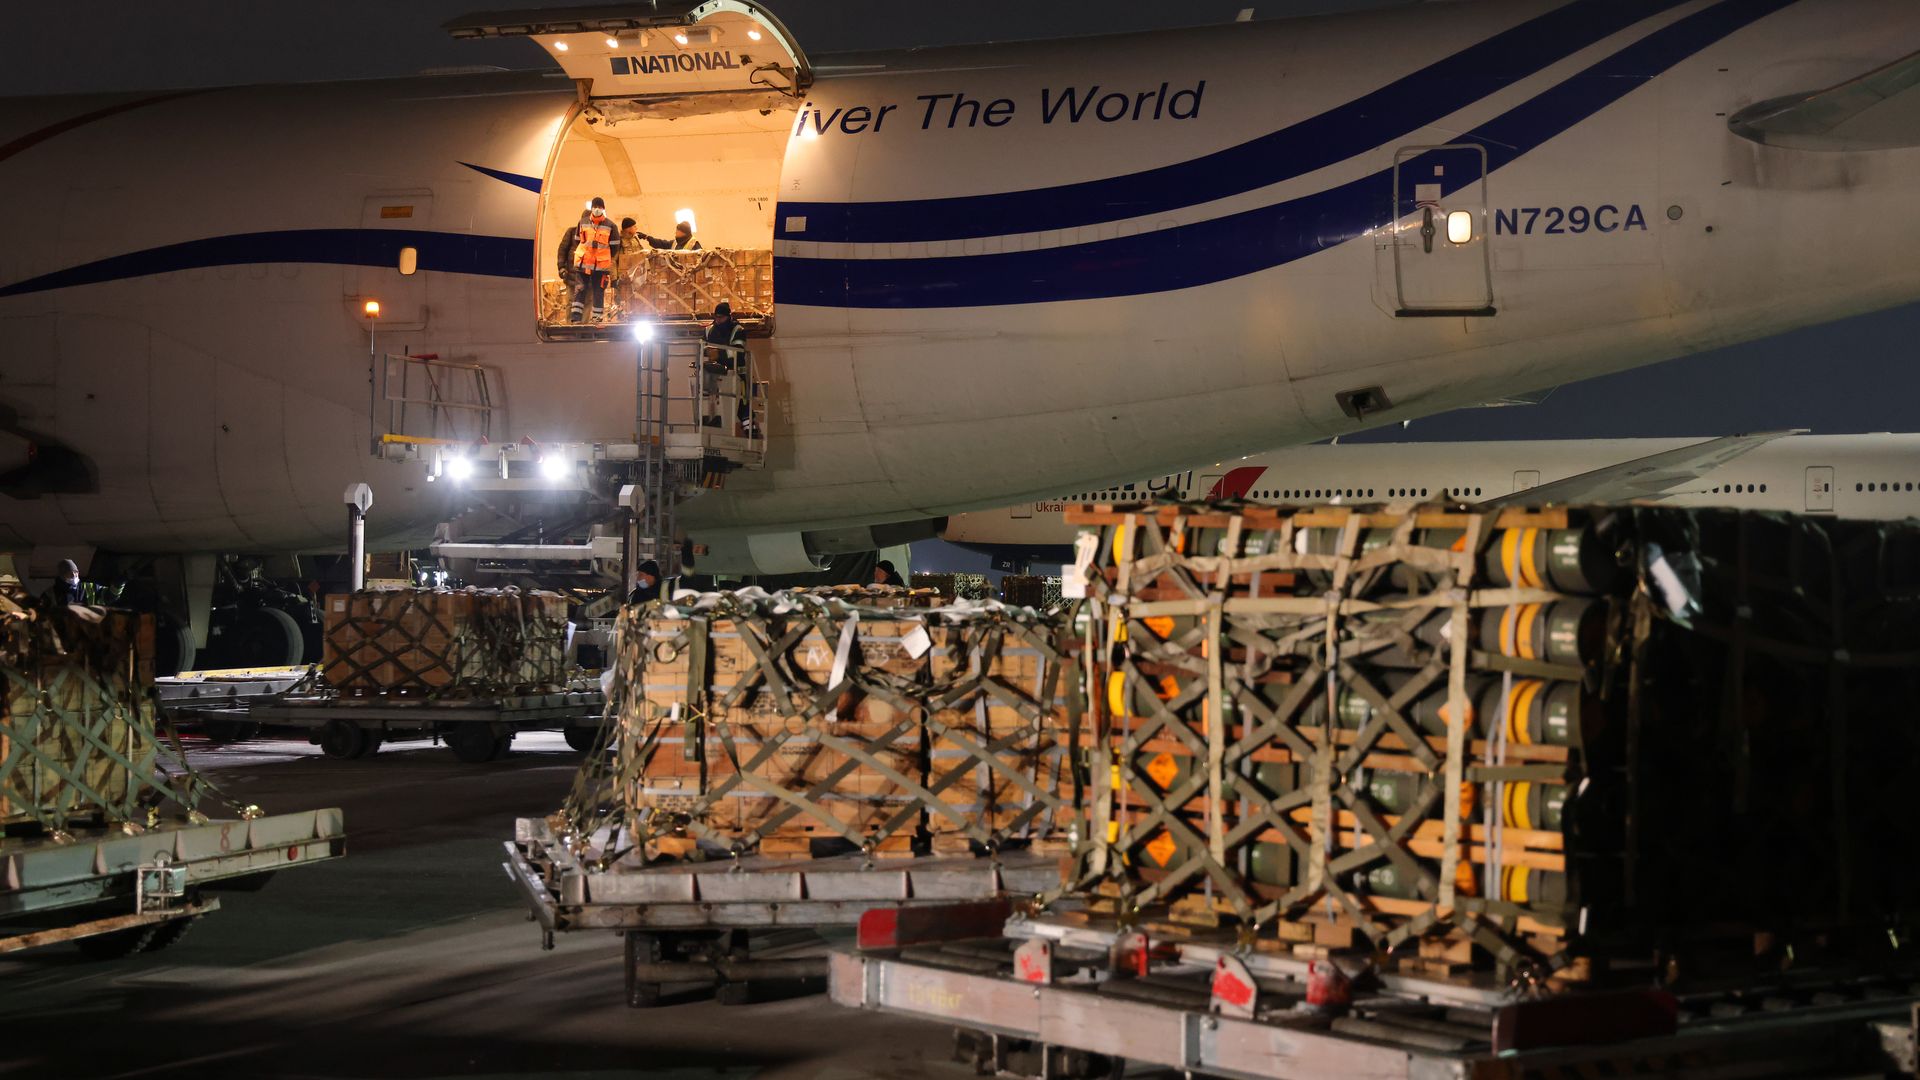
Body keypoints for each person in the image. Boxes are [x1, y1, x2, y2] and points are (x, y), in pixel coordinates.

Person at [569, 198, 621, 324]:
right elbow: (577, 240)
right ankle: (576, 318)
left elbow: (615, 246)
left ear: (603, 208)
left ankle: (596, 318)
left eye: (600, 206)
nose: (597, 209)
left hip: (601, 267)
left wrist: (604, 257)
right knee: (580, 289)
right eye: (595, 206)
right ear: (592, 208)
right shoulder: (582, 222)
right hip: (583, 265)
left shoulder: (610, 225)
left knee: (599, 291)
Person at [700, 301, 749, 430]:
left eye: (721, 317)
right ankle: (712, 422)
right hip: (714, 372)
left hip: (735, 373)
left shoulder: (737, 330)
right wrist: (708, 352)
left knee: (741, 403)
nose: (718, 320)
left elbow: (738, 352)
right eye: (716, 317)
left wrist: (718, 354)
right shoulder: (708, 330)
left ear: (729, 316)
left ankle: (749, 429)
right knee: (714, 401)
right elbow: (702, 348)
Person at [636, 219, 702, 252]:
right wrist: (647, 237)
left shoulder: (694, 244)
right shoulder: (675, 243)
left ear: (683, 232)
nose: (675, 232)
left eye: (677, 230)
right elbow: (661, 243)